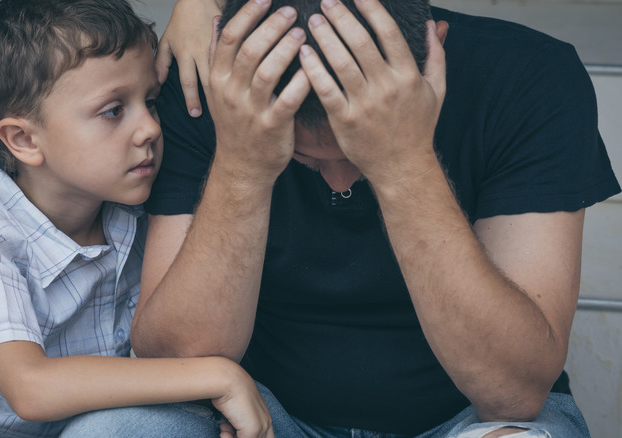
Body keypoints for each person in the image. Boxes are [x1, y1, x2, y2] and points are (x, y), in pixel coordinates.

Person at [130, 0, 621, 436]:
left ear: (434, 51)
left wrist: (402, 163)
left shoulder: (529, 75)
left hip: (470, 419)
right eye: (307, 157)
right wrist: (243, 164)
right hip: (262, 413)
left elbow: (512, 394)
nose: (338, 180)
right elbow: (178, 361)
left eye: (355, 152)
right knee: (117, 428)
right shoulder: (208, 84)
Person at [0, 1, 274, 437]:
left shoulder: (124, 187)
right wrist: (218, 376)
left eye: (152, 102)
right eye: (113, 111)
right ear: (24, 139)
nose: (150, 129)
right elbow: (31, 387)